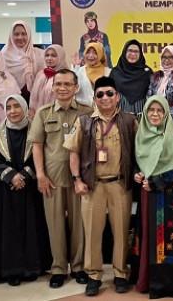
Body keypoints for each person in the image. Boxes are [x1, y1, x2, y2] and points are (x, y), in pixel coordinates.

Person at [66, 76, 139, 297]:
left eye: (109, 93)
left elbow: (141, 150)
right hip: (92, 186)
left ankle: (120, 273)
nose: (105, 98)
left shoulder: (129, 120)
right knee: (92, 232)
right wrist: (77, 179)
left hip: (120, 184)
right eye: (100, 94)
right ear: (95, 98)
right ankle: (94, 275)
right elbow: (73, 152)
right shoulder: (84, 121)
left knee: (121, 231)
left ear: (117, 97)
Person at [29, 69, 93, 288]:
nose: (62, 88)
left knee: (79, 224)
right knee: (54, 224)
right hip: (52, 178)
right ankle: (58, 269)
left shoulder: (87, 112)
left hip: (80, 179)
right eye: (58, 84)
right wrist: (40, 175)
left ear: (76, 87)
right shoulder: (43, 113)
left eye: (67, 84)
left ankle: (78, 267)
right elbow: (37, 146)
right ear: (52, 87)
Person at [0, 94, 52, 286]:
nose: (13, 111)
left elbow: (42, 155)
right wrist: (11, 176)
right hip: (5, 191)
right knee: (8, 230)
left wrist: (24, 175)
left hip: (30, 189)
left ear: (25, 108)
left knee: (32, 227)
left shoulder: (36, 130)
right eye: (9, 107)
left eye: (17, 106)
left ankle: (32, 267)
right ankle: (11, 270)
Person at [133, 95, 173, 299]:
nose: (155, 114)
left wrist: (155, 182)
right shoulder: (141, 135)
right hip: (146, 196)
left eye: (159, 110)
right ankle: (146, 280)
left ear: (166, 114)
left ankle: (166, 285)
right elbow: (136, 161)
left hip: (166, 198)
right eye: (151, 110)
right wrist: (138, 174)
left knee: (165, 240)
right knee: (147, 235)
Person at [1, 20, 45, 102]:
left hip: (36, 99)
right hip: (11, 100)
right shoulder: (4, 55)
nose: (20, 37)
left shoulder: (39, 54)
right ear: (11, 36)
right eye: (16, 34)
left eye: (24, 34)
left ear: (29, 35)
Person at [111, 39, 152, 116]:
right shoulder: (115, 73)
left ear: (140, 54)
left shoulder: (147, 72)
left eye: (136, 51)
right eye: (130, 51)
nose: (133, 54)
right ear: (124, 52)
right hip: (119, 117)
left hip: (142, 117)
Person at [29, 44, 69, 117]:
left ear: (61, 57)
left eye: (53, 56)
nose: (49, 58)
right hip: (38, 116)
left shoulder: (66, 75)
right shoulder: (40, 74)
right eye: (47, 55)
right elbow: (33, 96)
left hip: (58, 116)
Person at [75, 42, 111, 108]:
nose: (91, 56)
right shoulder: (80, 71)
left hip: (104, 109)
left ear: (100, 54)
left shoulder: (109, 72)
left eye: (95, 53)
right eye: (88, 52)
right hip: (83, 110)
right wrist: (75, 67)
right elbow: (73, 89)